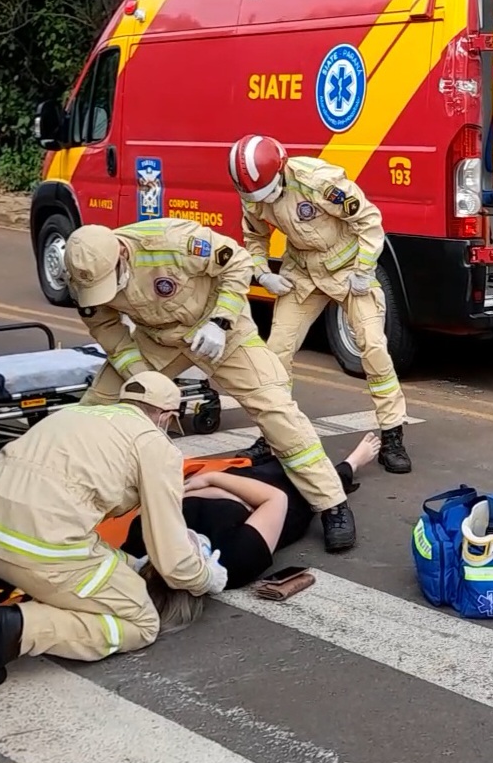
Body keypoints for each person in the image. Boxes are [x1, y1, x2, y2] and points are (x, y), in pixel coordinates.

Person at [0, 370, 226, 689]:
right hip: (40, 548)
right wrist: (206, 577)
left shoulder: (73, 413)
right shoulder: (156, 446)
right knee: (141, 623)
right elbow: (172, 560)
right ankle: (21, 628)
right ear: (167, 416)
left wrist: (133, 565)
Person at [62, 217, 357, 553]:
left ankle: (332, 504)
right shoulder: (82, 277)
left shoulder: (171, 242)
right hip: (158, 338)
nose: (107, 293)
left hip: (221, 330)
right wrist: (139, 377)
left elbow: (237, 263)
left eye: (110, 284)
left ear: (122, 255)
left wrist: (220, 321)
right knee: (97, 408)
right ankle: (63, 500)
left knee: (275, 409)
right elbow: (107, 329)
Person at [226, 134, 413, 475]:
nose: (263, 200)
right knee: (276, 352)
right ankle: (272, 437)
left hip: (349, 271)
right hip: (304, 273)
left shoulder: (319, 182)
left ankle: (392, 435)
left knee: (373, 347)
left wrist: (364, 268)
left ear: (281, 169)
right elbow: (255, 236)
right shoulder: (253, 193)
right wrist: (263, 272)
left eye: (269, 191)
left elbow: (368, 221)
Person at [123, 433, 381, 589]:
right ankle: (352, 463)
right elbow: (274, 499)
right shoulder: (233, 565)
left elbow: (171, 494)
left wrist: (214, 485)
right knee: (314, 484)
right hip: (279, 502)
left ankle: (273, 449)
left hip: (240, 483)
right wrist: (213, 481)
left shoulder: (143, 539)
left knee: (284, 456)